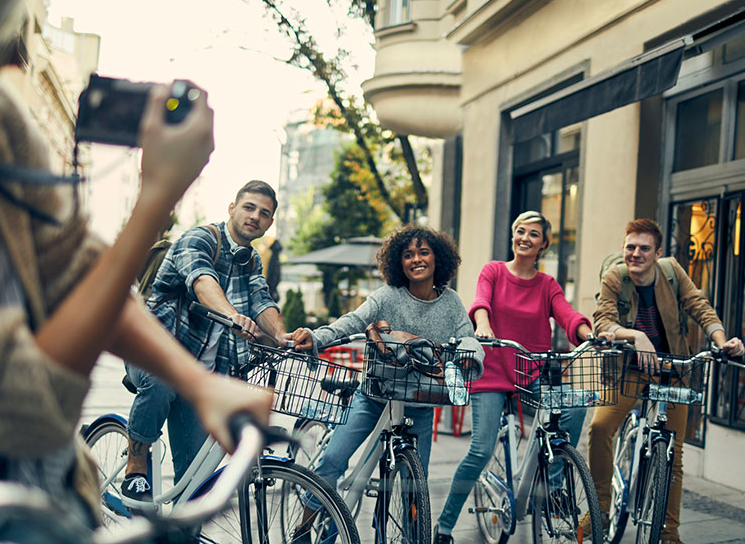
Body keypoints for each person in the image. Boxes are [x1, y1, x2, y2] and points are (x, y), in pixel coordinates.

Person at [0, 0, 271, 527]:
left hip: (51, 498)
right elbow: (24, 402)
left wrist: (204, 384)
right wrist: (156, 200)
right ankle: (134, 459)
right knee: (152, 396)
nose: (9, 62)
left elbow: (78, 269)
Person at [432, 210, 607, 544]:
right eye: (520, 231)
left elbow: (566, 314)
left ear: (544, 244)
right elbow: (481, 299)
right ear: (513, 235)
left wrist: (587, 334)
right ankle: (444, 526)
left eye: (533, 234)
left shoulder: (547, 285)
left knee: (573, 406)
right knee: (481, 451)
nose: (525, 238)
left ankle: (553, 488)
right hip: (493, 373)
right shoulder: (494, 271)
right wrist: (482, 324)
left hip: (530, 373)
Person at [290, 224, 484, 514]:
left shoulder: (452, 302)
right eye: (408, 254)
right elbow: (353, 321)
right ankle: (303, 526)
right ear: (399, 262)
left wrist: (471, 355)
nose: (416, 259)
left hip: (420, 403)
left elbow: (467, 334)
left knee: (415, 486)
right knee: (333, 460)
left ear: (437, 259)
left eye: (423, 252)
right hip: (374, 398)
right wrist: (316, 337)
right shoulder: (388, 295)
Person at [123, 180, 289, 498]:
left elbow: (261, 300)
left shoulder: (251, 260)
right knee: (161, 380)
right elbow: (202, 281)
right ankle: (136, 462)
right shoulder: (200, 238)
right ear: (232, 208)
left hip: (200, 376)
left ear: (269, 223)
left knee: (195, 482)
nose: (255, 216)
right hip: (153, 352)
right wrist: (231, 315)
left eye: (264, 213)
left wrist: (282, 335)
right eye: (249, 207)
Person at [587, 218, 745, 544]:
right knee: (600, 427)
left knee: (673, 453)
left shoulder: (671, 272)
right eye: (630, 247)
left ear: (657, 252)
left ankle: (669, 534)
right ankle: (600, 506)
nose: (636, 254)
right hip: (628, 368)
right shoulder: (614, 277)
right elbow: (603, 321)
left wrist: (721, 340)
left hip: (673, 367)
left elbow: (699, 306)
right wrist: (636, 336)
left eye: (644, 248)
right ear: (624, 248)